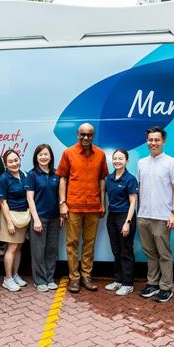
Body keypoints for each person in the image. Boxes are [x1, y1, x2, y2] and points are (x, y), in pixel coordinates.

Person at [56, 123, 109, 293]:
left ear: (93, 136)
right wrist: (62, 203)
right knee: (72, 243)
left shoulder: (100, 154)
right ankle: (74, 278)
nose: (86, 137)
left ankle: (86, 275)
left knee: (89, 243)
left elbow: (102, 179)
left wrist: (102, 203)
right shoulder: (68, 153)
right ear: (77, 135)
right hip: (73, 206)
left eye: (89, 135)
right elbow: (63, 179)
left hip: (93, 207)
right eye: (83, 134)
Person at [137, 127, 174, 303]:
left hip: (163, 216)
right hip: (144, 215)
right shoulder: (141, 163)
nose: (153, 143)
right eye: (150, 140)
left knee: (164, 253)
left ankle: (165, 287)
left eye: (157, 140)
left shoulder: (172, 162)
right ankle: (153, 283)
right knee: (149, 252)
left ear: (164, 141)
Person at [25, 144, 62, 292]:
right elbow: (30, 198)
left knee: (52, 250)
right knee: (38, 251)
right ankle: (39, 280)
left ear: (51, 156)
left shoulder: (56, 174)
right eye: (40, 154)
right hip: (39, 218)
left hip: (54, 218)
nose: (43, 157)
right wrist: (36, 219)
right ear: (36, 157)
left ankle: (50, 278)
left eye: (46, 154)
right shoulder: (32, 174)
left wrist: (60, 214)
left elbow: (59, 196)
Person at [104, 149, 138, 296]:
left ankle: (128, 283)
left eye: (120, 158)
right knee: (116, 250)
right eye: (115, 158)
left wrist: (127, 222)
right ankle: (118, 280)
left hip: (125, 217)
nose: (117, 161)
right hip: (112, 217)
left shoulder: (130, 179)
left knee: (126, 251)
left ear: (126, 161)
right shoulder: (110, 178)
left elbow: (133, 202)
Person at [0, 149, 31, 292]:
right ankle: (8, 279)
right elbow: (2, 202)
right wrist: (9, 222)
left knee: (18, 247)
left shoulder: (24, 175)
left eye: (16, 160)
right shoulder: (4, 178)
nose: (14, 163)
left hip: (22, 216)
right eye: (10, 161)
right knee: (11, 248)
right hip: (10, 216)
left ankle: (15, 275)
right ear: (5, 164)